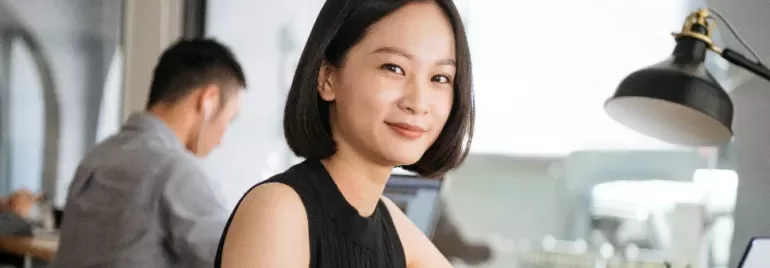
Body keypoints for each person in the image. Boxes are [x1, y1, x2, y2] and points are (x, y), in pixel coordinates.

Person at [216, 0, 473, 267]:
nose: (418, 102)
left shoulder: (390, 223)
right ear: (327, 78)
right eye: (393, 68)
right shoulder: (279, 211)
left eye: (440, 78)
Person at [52, 38, 246, 268]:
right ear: (208, 101)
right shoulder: (174, 170)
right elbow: (241, 259)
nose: (222, 140)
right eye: (229, 120)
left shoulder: (96, 158)